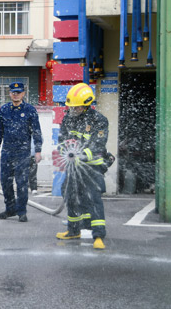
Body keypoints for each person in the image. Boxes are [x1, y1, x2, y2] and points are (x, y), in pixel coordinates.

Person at [56, 83, 109, 250]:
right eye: (71, 107)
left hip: (92, 168)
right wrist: (65, 150)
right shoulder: (68, 118)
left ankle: (98, 235)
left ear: (86, 105)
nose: (73, 109)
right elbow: (62, 140)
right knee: (70, 194)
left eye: (76, 107)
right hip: (74, 167)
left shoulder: (99, 120)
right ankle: (73, 230)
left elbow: (98, 145)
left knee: (93, 199)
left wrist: (80, 155)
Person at [0, 82, 42, 223]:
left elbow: (36, 131)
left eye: (18, 92)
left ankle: (21, 211)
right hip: (7, 152)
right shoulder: (4, 110)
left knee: (21, 183)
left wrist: (38, 150)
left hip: (23, 152)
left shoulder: (30, 110)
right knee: (5, 182)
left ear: (23, 94)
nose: (16, 94)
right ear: (10, 93)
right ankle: (10, 209)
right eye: (13, 92)